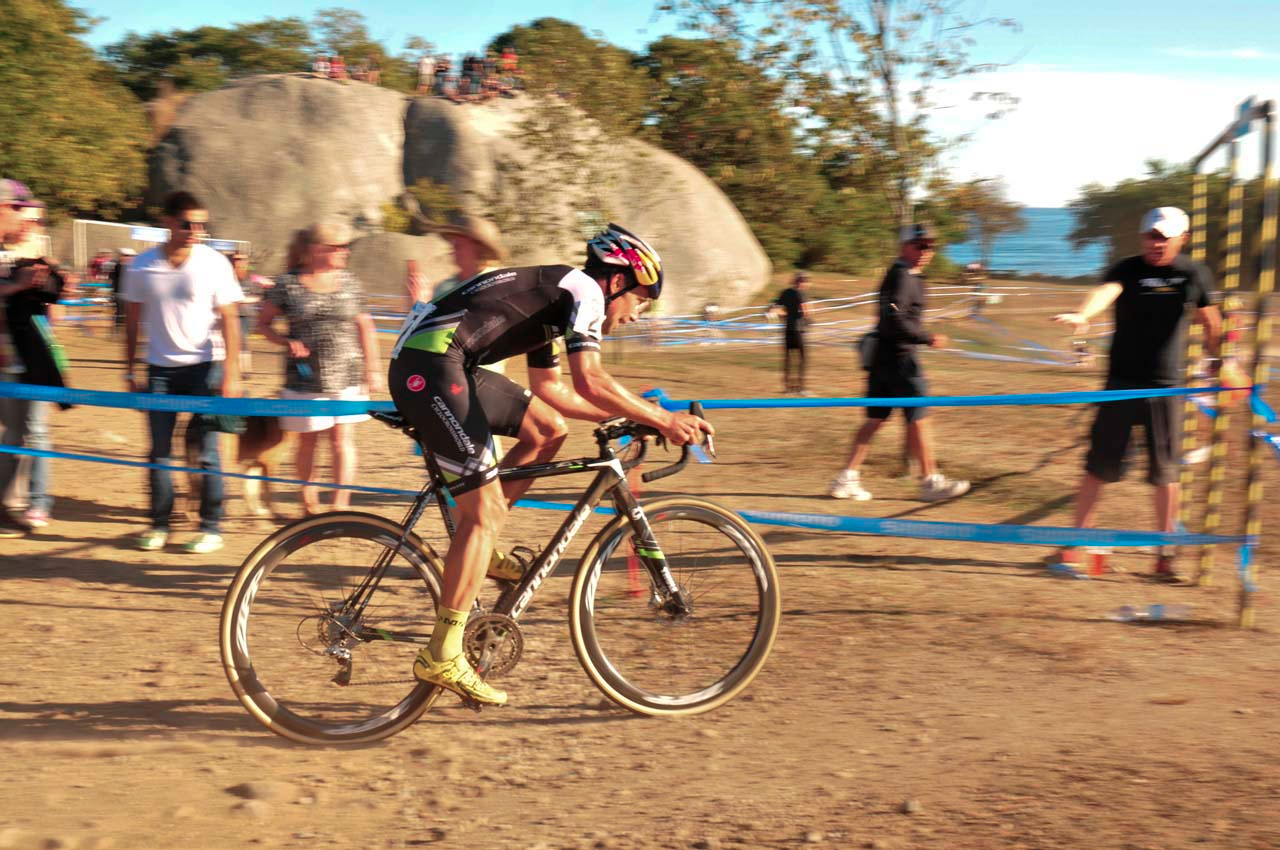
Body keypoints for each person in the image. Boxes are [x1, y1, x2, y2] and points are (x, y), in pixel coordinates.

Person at [388, 223, 713, 705]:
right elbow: (591, 379)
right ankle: (443, 653)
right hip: (432, 369)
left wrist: (633, 416)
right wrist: (662, 418)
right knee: (482, 513)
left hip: (447, 365)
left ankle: (482, 541)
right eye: (642, 301)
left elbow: (553, 392)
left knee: (548, 430)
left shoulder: (553, 300)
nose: (638, 315)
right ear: (619, 281)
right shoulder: (583, 291)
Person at [1049, 207, 1221, 582]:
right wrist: (1084, 316)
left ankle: (1164, 555)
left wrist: (1218, 358)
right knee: (1098, 468)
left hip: (1166, 389)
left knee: (1166, 473)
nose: (1156, 243)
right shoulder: (1126, 268)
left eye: (1164, 237)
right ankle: (1074, 545)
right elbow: (1107, 291)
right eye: (1150, 236)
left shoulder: (1192, 273)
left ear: (1182, 238)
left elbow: (1210, 320)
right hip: (1120, 387)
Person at [122, 190, 243, 554]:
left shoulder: (215, 263)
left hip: (205, 368)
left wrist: (232, 373)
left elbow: (231, 319)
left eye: (201, 224)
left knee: (207, 452)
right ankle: (159, 524)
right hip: (159, 371)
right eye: (188, 223)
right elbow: (131, 322)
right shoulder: (141, 266)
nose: (195, 230)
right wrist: (129, 369)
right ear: (167, 222)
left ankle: (211, 525)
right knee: (159, 453)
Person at [829, 223, 970, 503]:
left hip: (885, 358)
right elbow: (894, 320)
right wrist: (926, 337)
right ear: (904, 246)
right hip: (900, 359)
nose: (926, 251)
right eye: (920, 245)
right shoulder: (902, 276)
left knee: (875, 419)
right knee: (919, 418)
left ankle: (846, 477)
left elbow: (894, 317)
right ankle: (930, 480)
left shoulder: (905, 275)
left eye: (930, 246)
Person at [256, 221, 382, 515]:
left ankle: (340, 505)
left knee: (342, 441)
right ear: (315, 251)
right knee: (307, 443)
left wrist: (373, 369)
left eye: (344, 247)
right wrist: (285, 341)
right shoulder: (286, 284)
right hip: (305, 379)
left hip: (348, 375)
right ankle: (308, 503)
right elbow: (262, 324)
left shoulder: (350, 282)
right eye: (337, 247)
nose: (344, 252)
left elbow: (365, 324)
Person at [0, 179, 64, 535]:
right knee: (14, 434)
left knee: (28, 432)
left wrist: (46, 278)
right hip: (7, 360)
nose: (25, 219)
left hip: (23, 358)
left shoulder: (31, 252)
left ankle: (28, 503)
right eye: (18, 210)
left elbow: (52, 300)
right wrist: (15, 285)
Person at [772, 272, 811, 395]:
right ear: (801, 282)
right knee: (802, 359)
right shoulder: (800, 293)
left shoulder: (786, 292)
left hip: (787, 330)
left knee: (788, 359)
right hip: (798, 330)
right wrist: (808, 320)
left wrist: (785, 315)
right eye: (805, 281)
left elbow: (774, 308)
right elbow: (805, 311)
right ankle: (801, 388)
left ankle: (787, 387)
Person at [109, 248, 135, 337]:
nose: (128, 258)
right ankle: (117, 331)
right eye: (126, 256)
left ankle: (124, 331)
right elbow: (113, 279)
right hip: (119, 293)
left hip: (128, 294)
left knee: (129, 313)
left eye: (130, 256)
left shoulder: (132, 267)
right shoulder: (118, 266)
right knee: (120, 313)